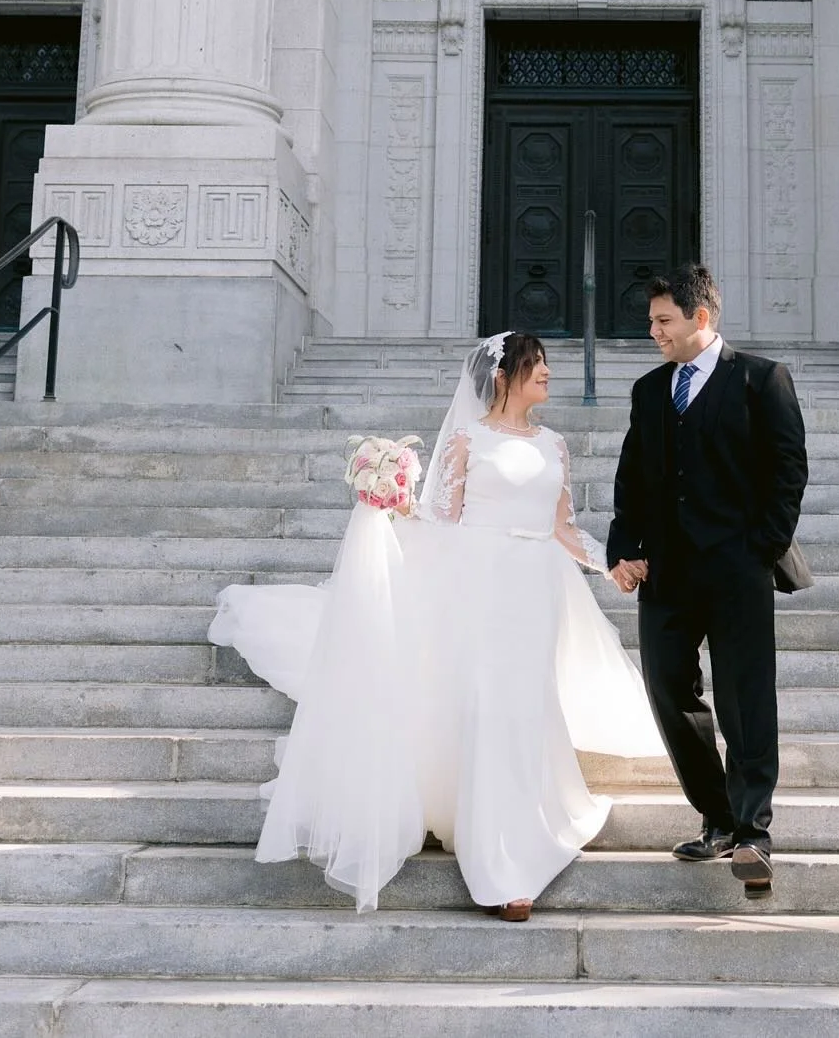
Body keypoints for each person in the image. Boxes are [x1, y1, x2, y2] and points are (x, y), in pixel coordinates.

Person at [209, 331, 663, 918]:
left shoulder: (555, 444)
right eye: (538, 364)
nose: (549, 372)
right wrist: (392, 499)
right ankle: (500, 865)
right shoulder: (468, 440)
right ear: (503, 377)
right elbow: (439, 519)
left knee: (526, 704)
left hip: (537, 589)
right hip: (479, 585)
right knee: (487, 706)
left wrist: (610, 565)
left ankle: (528, 820)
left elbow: (563, 527)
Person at [606, 264, 807, 899]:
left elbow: (787, 470)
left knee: (747, 698)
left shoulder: (760, 379)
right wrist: (624, 545)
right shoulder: (648, 390)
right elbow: (632, 477)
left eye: (664, 321)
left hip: (738, 568)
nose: (654, 333)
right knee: (668, 688)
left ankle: (753, 831)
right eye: (651, 323)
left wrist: (761, 549)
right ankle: (717, 815)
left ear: (702, 317)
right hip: (667, 571)